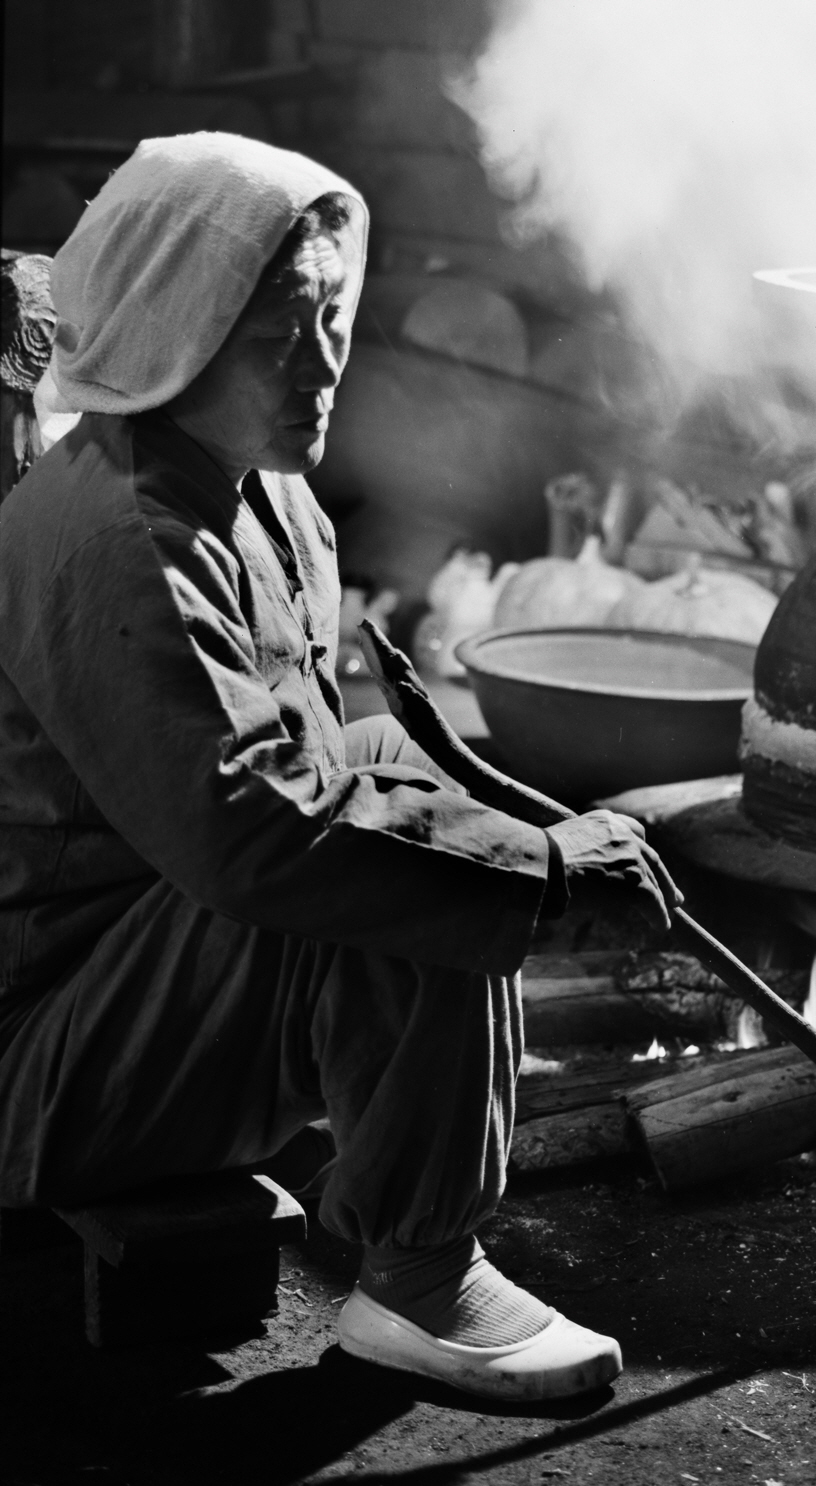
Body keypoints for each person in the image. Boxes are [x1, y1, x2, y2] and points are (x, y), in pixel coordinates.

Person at [0, 133, 679, 1401]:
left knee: (388, 765)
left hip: (132, 982)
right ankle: (420, 1276)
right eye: (277, 338)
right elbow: (259, 832)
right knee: (379, 851)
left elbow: (323, 767)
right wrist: (540, 868)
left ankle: (383, 1171)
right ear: (174, 335)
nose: (322, 366)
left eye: (330, 319)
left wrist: (495, 832)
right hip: (38, 1060)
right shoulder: (121, 534)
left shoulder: (256, 487)